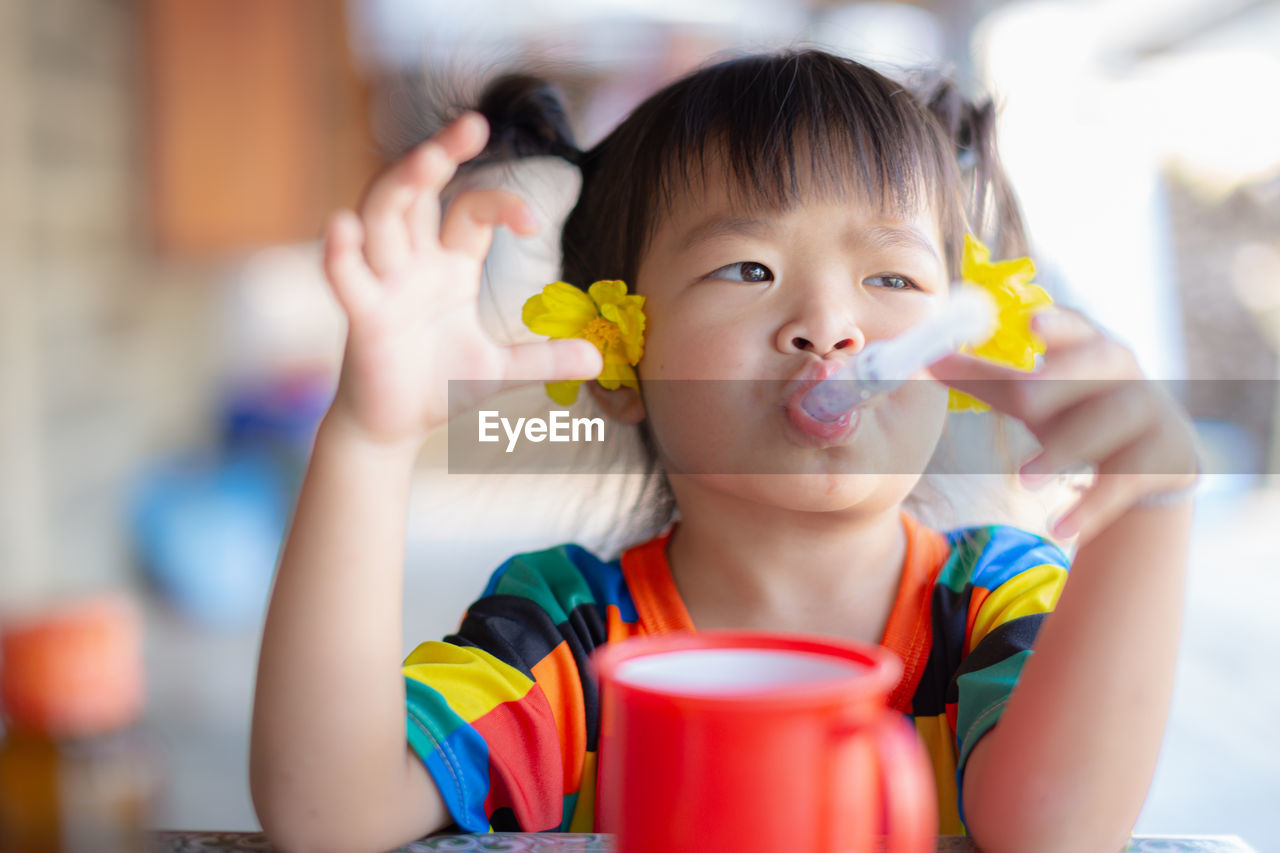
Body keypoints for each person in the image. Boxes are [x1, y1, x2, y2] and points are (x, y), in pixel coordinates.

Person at [249, 50, 1199, 853]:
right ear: (620, 355)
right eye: (749, 267)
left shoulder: (995, 602)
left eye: (893, 275)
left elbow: (1052, 830)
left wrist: (1151, 506)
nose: (830, 326)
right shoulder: (569, 635)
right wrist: (369, 442)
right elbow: (331, 812)